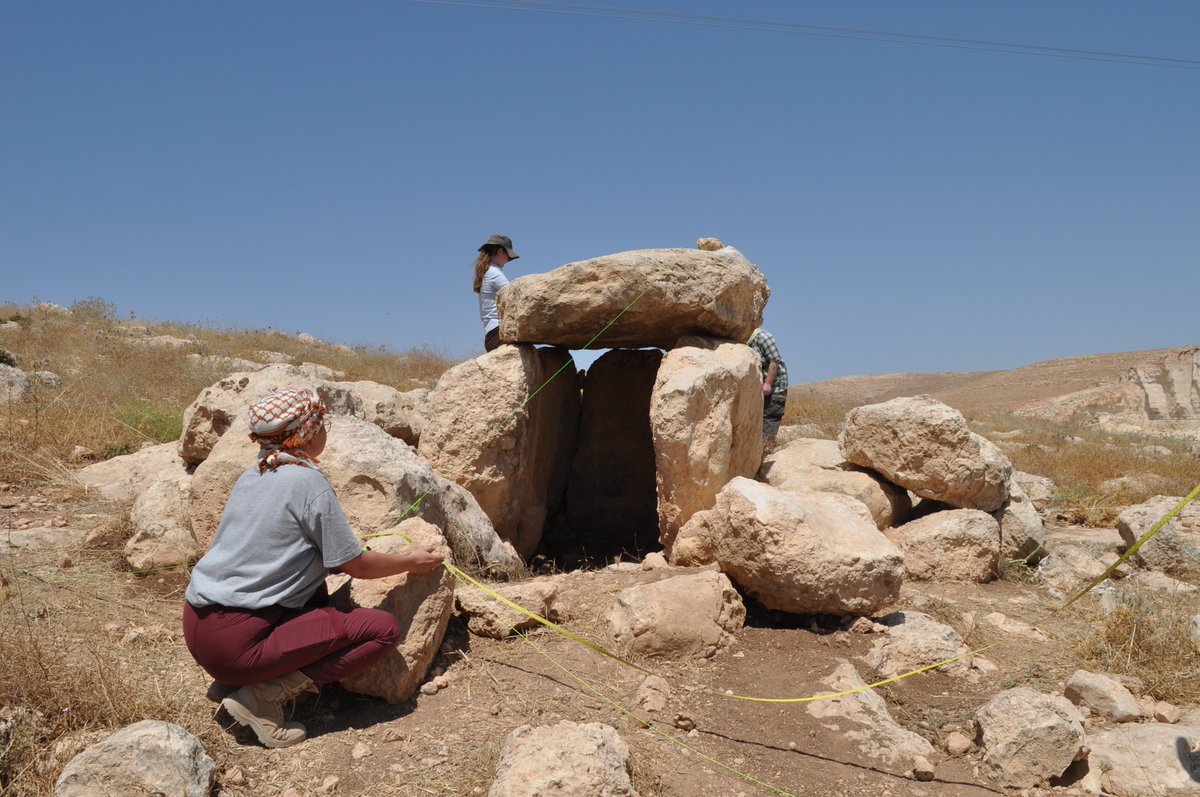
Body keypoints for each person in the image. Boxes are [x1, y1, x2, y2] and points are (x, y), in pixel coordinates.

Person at [182, 387, 444, 748]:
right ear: (306, 433)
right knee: (382, 630)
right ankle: (263, 695)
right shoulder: (307, 482)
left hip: (198, 627)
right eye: (322, 425)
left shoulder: (252, 476)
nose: (325, 433)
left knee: (318, 595)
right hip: (237, 644)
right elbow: (357, 566)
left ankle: (237, 680)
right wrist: (410, 563)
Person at [473, 233, 519, 352]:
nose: (508, 260)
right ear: (499, 251)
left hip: (491, 335)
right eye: (508, 255)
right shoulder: (494, 272)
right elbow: (514, 297)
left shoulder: (487, 271)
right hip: (499, 333)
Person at [747, 328, 789, 445]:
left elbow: (775, 361)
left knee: (768, 426)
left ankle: (766, 454)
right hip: (757, 389)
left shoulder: (763, 337)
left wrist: (768, 383)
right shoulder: (742, 337)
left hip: (775, 388)